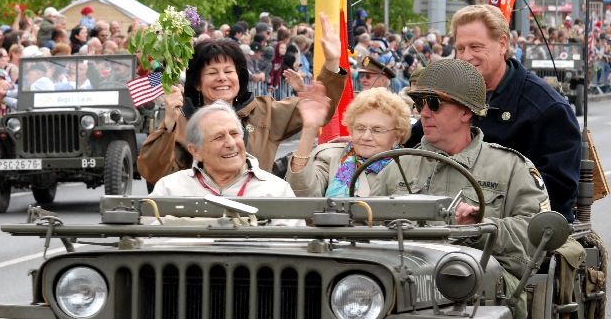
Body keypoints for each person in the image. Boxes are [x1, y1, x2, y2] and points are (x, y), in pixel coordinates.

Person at [372, 59, 552, 319]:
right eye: (420, 103)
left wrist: (481, 226)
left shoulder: (510, 167)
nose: (424, 113)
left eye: (434, 103)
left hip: (483, 289)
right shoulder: (398, 167)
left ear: (466, 112)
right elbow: (364, 222)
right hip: (404, 282)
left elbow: (537, 234)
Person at [137, 13, 348, 184]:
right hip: (196, 217)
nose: (222, 78)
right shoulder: (180, 119)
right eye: (212, 73)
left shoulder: (263, 112)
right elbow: (154, 174)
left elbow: (317, 108)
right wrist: (168, 125)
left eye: (229, 71)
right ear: (197, 83)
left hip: (257, 217)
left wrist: (331, 62)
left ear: (240, 78)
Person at [451, 4, 581, 221]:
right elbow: (415, 148)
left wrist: (484, 214)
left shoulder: (547, 108)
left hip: (517, 233)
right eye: (460, 48)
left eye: (475, 47)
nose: (466, 56)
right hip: (450, 226)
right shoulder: (449, 96)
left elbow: (557, 193)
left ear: (502, 44)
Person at [150, 102, 300, 226]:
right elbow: (147, 242)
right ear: (196, 151)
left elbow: (293, 250)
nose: (230, 143)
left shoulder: (277, 190)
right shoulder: (169, 188)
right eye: (218, 137)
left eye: (235, 134)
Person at [287, 87, 411, 197]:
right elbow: (301, 194)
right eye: (360, 128)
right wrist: (309, 129)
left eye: (377, 130)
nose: (366, 136)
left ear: (397, 136)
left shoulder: (410, 166)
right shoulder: (332, 158)